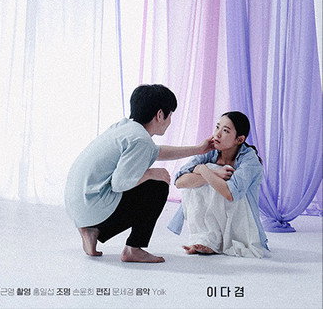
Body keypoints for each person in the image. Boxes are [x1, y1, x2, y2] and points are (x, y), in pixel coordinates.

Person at [64, 84, 214, 263]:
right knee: (158, 186)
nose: (170, 121)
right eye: (170, 115)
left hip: (79, 205)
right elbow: (119, 184)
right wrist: (150, 174)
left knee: (152, 179)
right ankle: (133, 249)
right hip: (93, 205)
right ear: (160, 115)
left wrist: (198, 149)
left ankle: (93, 231)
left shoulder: (125, 127)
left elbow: (155, 151)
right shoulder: (141, 140)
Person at [168, 111, 269, 257]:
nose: (217, 134)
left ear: (239, 139)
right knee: (202, 178)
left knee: (212, 175)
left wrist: (203, 169)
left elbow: (230, 194)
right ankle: (208, 239)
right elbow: (179, 182)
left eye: (225, 131)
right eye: (217, 127)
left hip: (242, 222)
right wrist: (212, 173)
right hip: (221, 215)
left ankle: (217, 241)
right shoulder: (211, 152)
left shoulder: (249, 160)